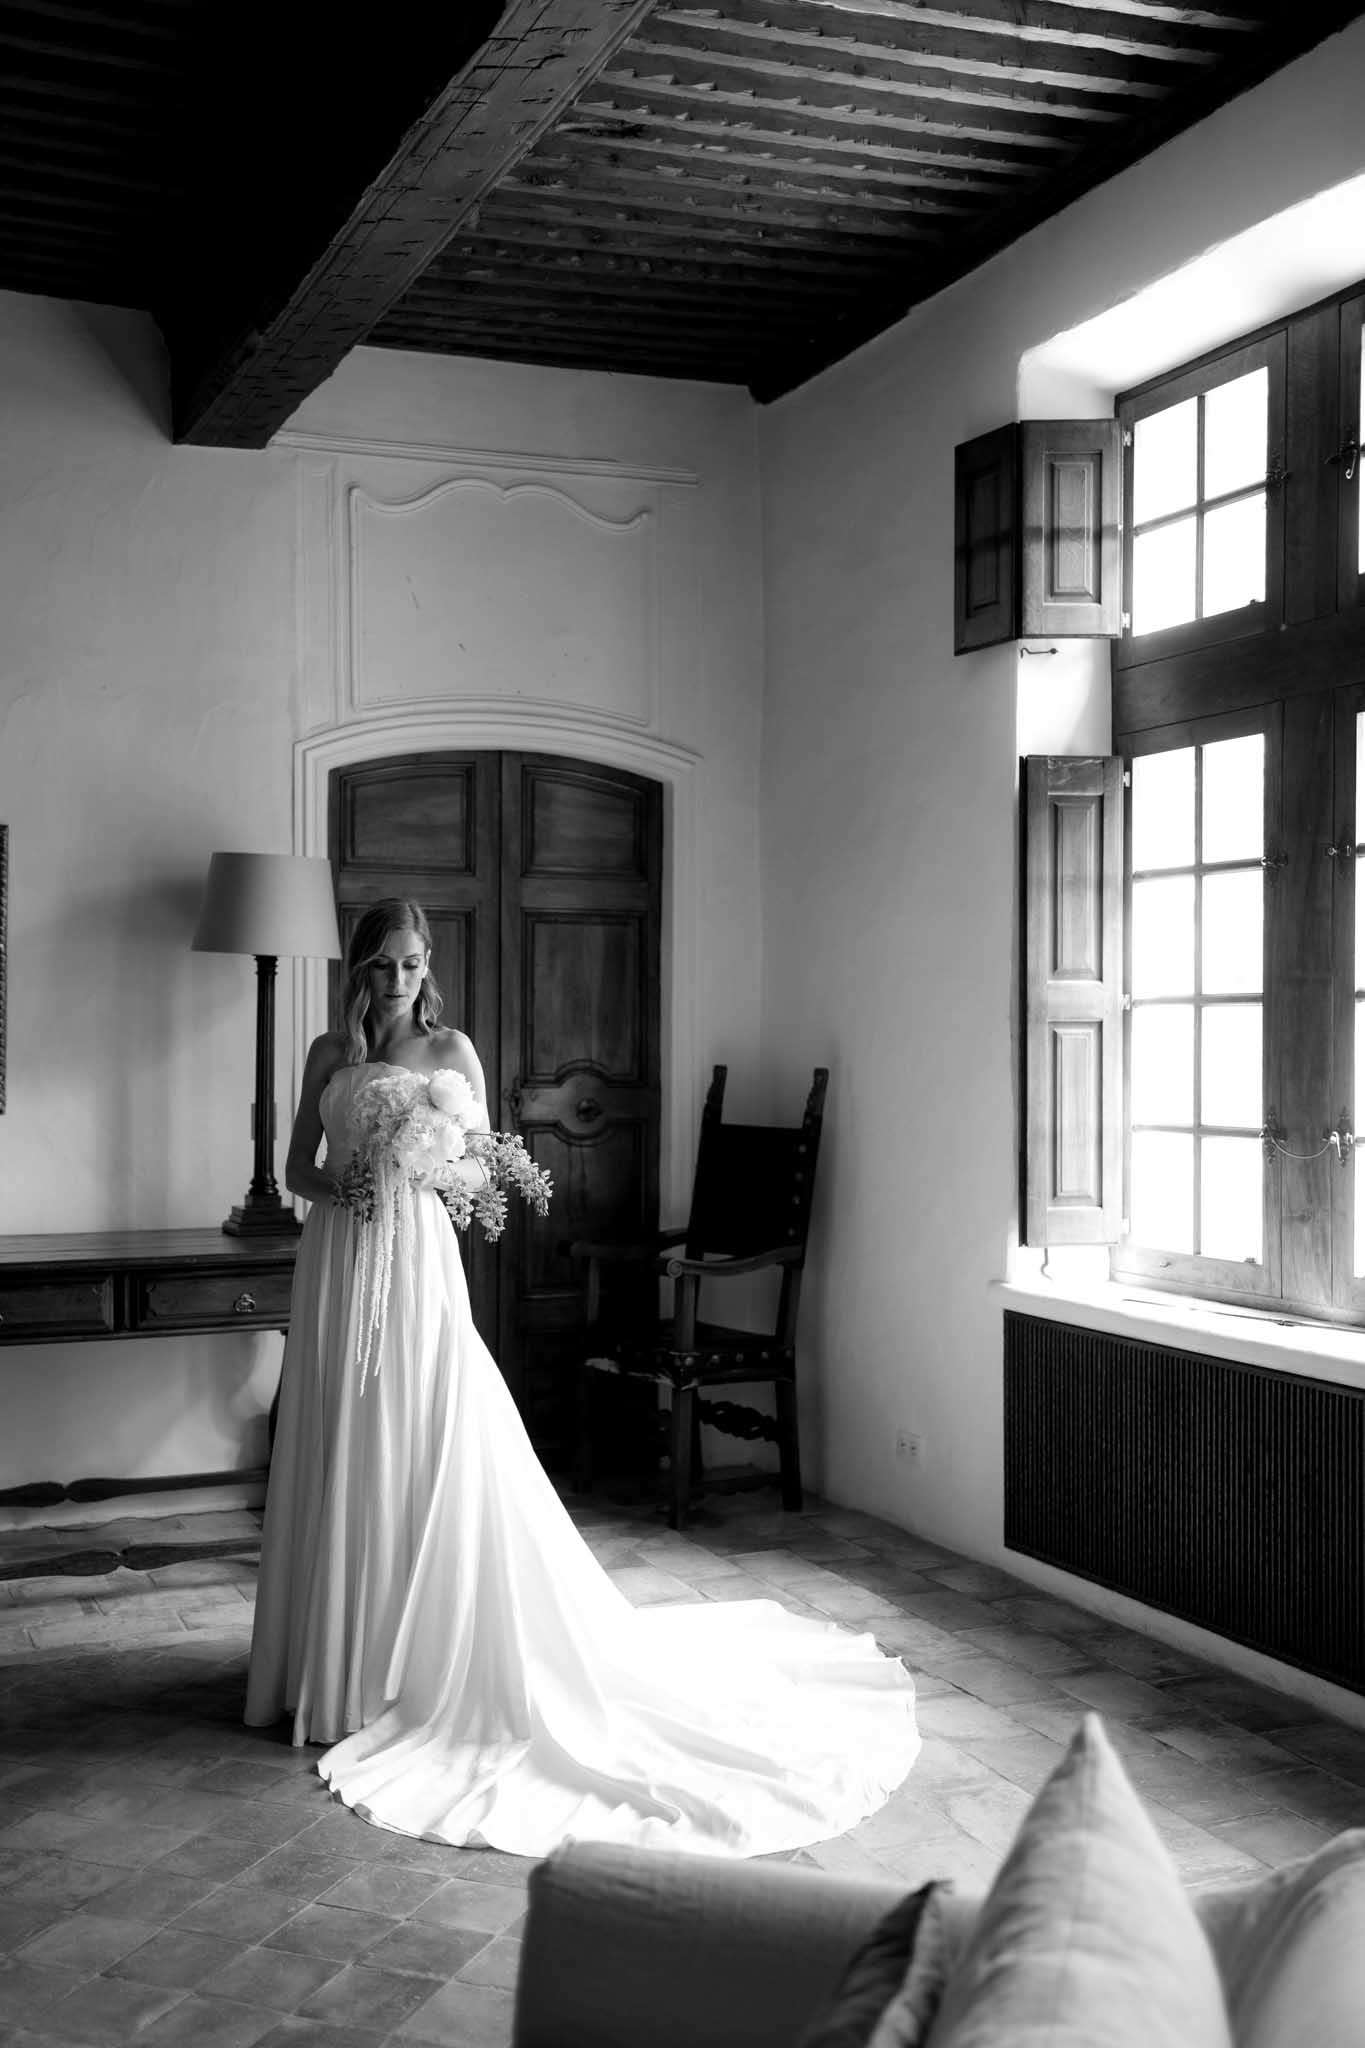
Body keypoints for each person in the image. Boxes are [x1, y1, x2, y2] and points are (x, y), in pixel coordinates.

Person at [246, 896, 921, 1857]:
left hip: (415, 1264)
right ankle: (328, 1660)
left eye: (411, 963)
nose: (397, 979)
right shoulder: (327, 1054)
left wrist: (431, 1169)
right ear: (357, 968)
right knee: (335, 1431)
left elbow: (479, 1177)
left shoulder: (452, 1056)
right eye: (382, 965)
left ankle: (405, 1669)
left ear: (426, 966)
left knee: (416, 1430)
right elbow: (297, 1171)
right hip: (336, 1262)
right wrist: (345, 1184)